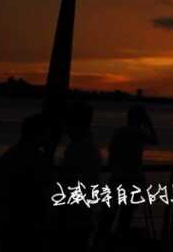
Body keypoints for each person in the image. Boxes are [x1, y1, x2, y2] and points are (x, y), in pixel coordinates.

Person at [98, 105, 158, 243]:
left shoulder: (118, 132)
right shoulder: (140, 133)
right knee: (126, 216)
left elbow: (111, 154)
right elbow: (155, 139)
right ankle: (118, 241)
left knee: (108, 215)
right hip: (134, 179)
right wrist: (148, 123)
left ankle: (101, 242)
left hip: (117, 177)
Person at [0, 113, 50, 252]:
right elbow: (41, 192)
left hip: (9, 222)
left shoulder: (9, 155)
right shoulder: (37, 159)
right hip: (29, 224)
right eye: (45, 133)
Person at [57, 101, 102, 252]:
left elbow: (68, 180)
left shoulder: (78, 149)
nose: (65, 129)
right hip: (83, 213)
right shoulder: (89, 147)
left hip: (75, 215)